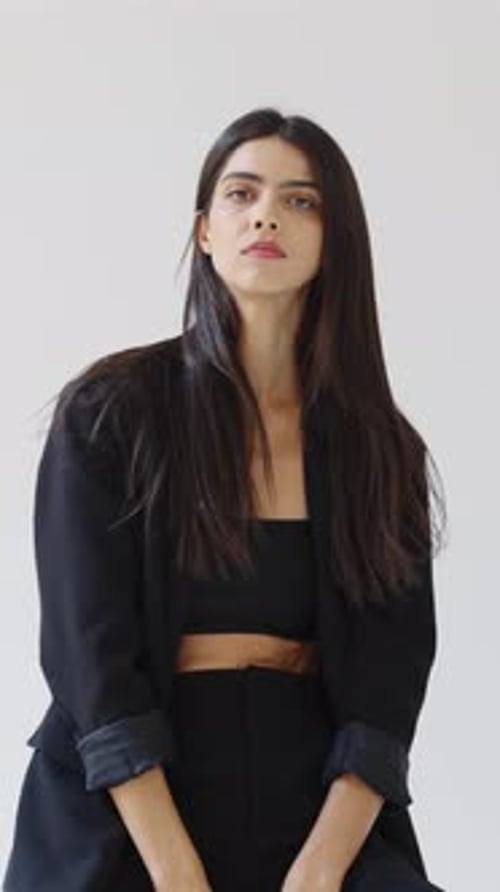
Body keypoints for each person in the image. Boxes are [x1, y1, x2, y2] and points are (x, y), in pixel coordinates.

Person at [3, 107, 447, 891]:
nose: (267, 212)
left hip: (312, 795)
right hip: (131, 799)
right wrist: (176, 871)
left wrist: (319, 871)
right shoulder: (111, 411)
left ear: (333, 239)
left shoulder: (381, 449)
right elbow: (88, 658)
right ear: (205, 230)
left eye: (300, 199)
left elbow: (390, 678)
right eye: (241, 194)